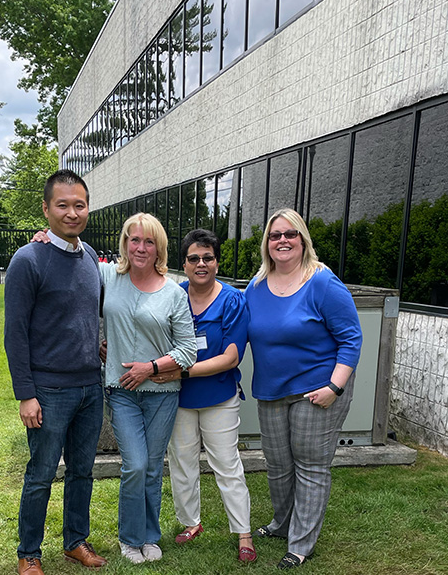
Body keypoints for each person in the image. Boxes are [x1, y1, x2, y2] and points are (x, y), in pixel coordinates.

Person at [244, 208, 362, 569]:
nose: (282, 240)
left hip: (318, 388)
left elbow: (351, 338)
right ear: (267, 242)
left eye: (290, 234)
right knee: (278, 464)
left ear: (302, 240)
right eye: (275, 234)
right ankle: (282, 524)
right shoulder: (255, 285)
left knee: (310, 465)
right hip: (271, 390)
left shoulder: (321, 282)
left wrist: (334, 388)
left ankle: (301, 543)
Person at [4, 170, 107, 575]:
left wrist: (94, 345)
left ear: (87, 208)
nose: (71, 212)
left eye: (79, 204)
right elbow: (15, 334)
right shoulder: (29, 259)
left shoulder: (89, 260)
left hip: (89, 387)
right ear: (46, 209)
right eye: (62, 205)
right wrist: (25, 394)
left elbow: (86, 316)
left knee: (82, 472)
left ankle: (75, 541)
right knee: (41, 475)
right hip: (48, 390)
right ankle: (29, 552)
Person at [151, 229, 256, 562]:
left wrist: (181, 371)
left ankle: (243, 533)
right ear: (184, 263)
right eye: (193, 258)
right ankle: (190, 523)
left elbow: (230, 357)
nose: (201, 264)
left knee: (227, 465)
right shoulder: (173, 295)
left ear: (217, 261)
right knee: (182, 464)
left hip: (218, 397)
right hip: (178, 399)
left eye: (207, 258)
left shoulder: (232, 300)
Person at [99, 212, 197, 564]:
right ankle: (129, 538)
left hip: (162, 393)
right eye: (134, 239)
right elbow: (73, 265)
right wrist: (46, 239)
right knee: (135, 465)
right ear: (125, 243)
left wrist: (151, 367)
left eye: (149, 241)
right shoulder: (108, 276)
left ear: (160, 248)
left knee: (153, 467)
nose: (141, 247)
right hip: (121, 390)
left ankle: (149, 536)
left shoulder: (173, 291)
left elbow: (188, 350)